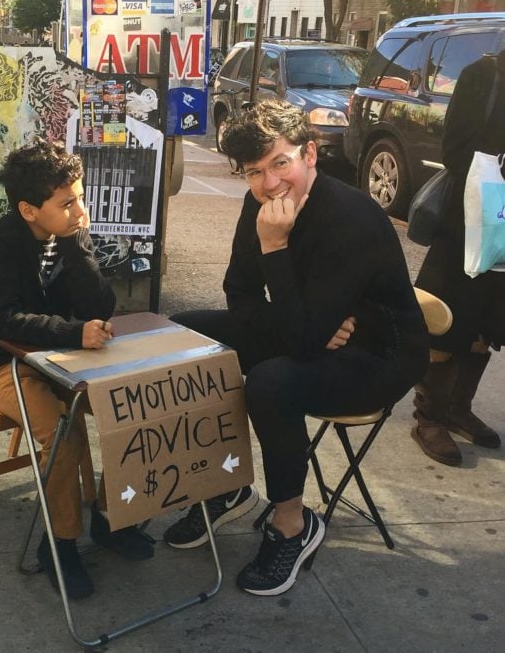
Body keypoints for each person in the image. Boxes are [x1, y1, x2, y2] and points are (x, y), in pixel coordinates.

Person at [164, 99, 429, 596]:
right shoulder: (257, 205)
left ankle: (292, 522)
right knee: (185, 333)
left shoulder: (351, 218)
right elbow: (238, 292)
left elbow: (303, 343)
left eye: (280, 163)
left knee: (271, 382)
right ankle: (226, 483)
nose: (269, 185)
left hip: (379, 355)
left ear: (309, 154)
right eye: (253, 172)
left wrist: (274, 248)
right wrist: (295, 324)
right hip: (308, 329)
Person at [0, 138, 154, 601]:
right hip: (5, 363)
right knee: (64, 437)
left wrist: (75, 247)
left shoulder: (72, 232)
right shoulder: (5, 239)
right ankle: (61, 545)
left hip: (64, 361)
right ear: (29, 209)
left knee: (131, 408)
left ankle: (110, 520)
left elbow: (100, 305)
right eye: (67, 202)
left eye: (80, 197)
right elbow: (2, 320)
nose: (80, 209)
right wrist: (73, 333)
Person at [412, 49, 505, 465]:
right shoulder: (482, 74)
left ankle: (458, 409)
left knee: (489, 324)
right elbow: (455, 151)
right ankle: (429, 417)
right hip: (465, 226)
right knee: (446, 321)